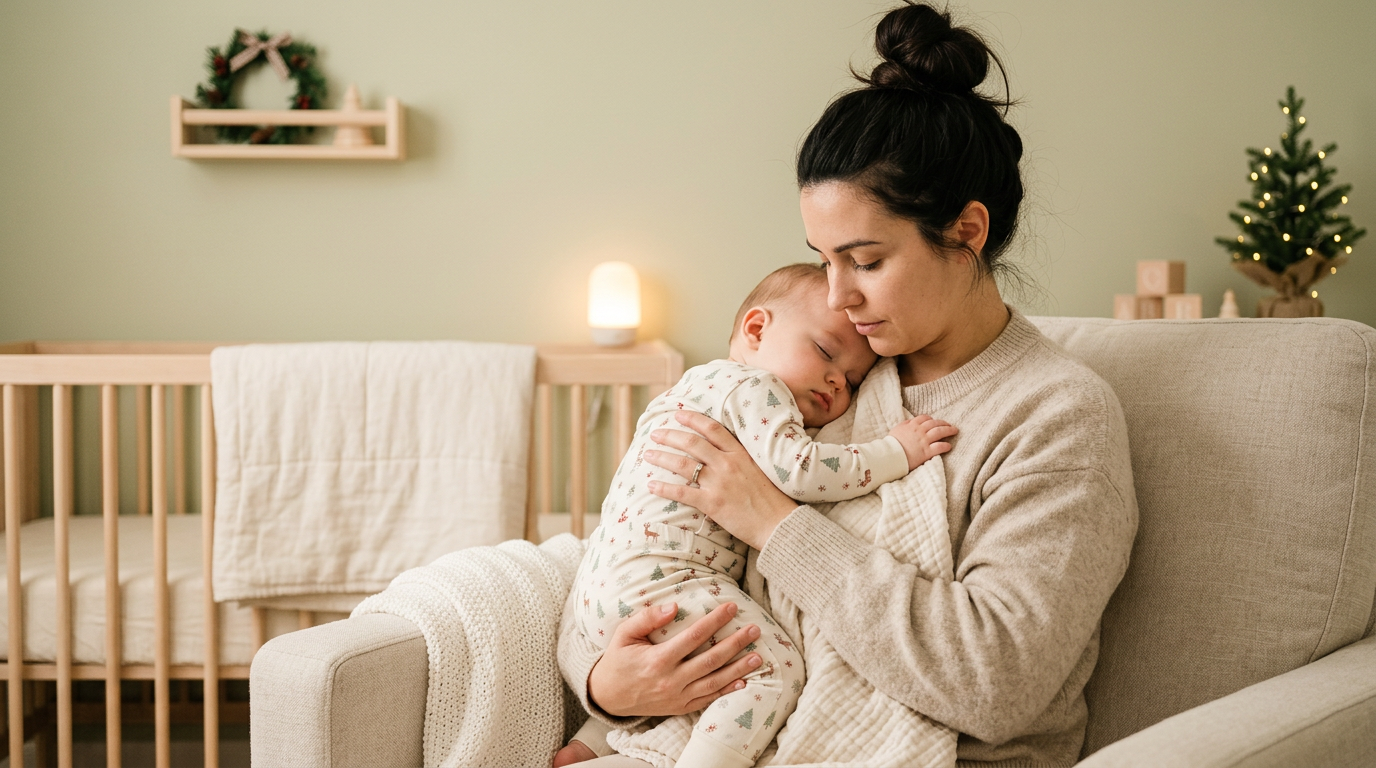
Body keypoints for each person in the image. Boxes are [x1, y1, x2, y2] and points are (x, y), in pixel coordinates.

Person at [557, 2, 1138, 766]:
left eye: (865, 261)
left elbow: (998, 685)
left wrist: (774, 522)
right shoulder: (819, 375)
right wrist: (608, 688)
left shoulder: (1055, 416)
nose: (838, 296)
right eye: (824, 260)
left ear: (967, 232)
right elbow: (637, 549)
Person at [555, 263, 958, 768]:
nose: (837, 380)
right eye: (826, 352)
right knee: (773, 669)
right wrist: (894, 452)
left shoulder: (689, 389)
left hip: (606, 586)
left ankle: (589, 745)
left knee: (681, 665)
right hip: (665, 578)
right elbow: (803, 472)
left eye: (854, 381)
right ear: (756, 329)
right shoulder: (754, 388)